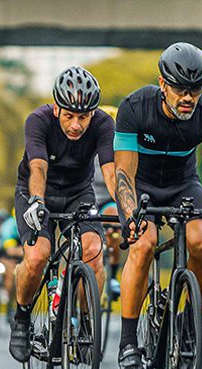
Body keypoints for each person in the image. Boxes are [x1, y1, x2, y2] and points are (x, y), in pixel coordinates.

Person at [114, 42, 202, 369]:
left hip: (183, 184)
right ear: (162, 84)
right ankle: (129, 343)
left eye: (195, 90)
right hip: (141, 185)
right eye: (180, 90)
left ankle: (186, 325)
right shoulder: (134, 107)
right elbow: (123, 173)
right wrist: (130, 215)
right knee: (143, 245)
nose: (188, 98)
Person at [8, 66, 115, 363]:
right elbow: (38, 166)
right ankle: (22, 318)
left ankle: (85, 323)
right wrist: (38, 201)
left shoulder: (104, 124)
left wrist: (126, 209)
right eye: (69, 116)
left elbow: (110, 172)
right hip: (36, 191)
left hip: (78, 193)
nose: (77, 125)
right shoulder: (38, 121)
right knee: (38, 256)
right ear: (56, 108)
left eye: (83, 117)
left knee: (93, 251)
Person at [93, 105, 121, 298]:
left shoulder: (122, 152)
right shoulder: (87, 147)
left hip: (108, 200)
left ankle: (112, 275)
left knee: (114, 225)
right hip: (86, 198)